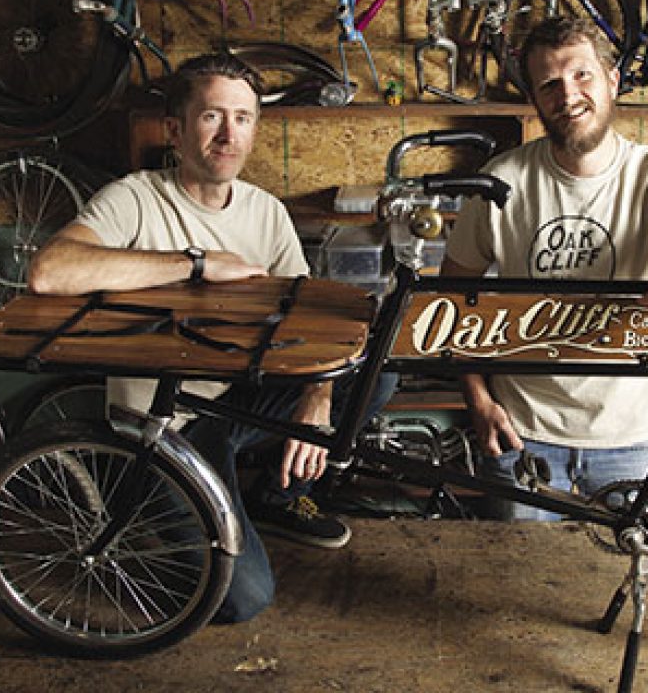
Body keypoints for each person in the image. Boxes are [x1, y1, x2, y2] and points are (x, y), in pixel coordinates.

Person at [27, 52, 391, 622]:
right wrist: (195, 263)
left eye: (243, 118)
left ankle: (272, 496)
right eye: (212, 116)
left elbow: (312, 321)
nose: (229, 134)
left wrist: (315, 403)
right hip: (163, 427)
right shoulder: (136, 198)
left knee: (375, 373)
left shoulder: (265, 212)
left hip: (233, 403)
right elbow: (50, 271)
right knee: (243, 599)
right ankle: (152, 516)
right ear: (175, 130)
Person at [440, 17, 648, 520]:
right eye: (550, 84)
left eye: (582, 75)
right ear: (536, 100)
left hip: (633, 441)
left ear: (612, 80)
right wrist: (477, 399)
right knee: (512, 586)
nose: (568, 95)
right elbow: (452, 297)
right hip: (522, 435)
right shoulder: (502, 180)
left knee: (632, 585)